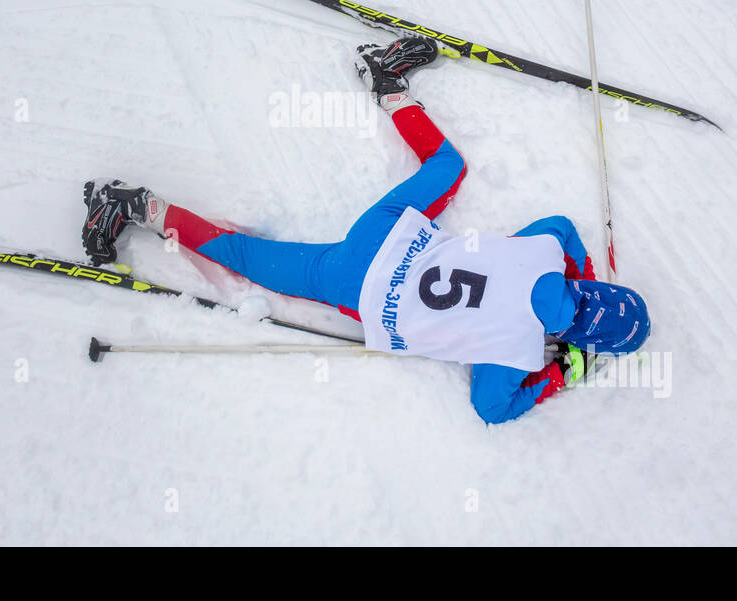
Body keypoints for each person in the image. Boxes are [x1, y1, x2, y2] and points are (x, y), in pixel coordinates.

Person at [82, 37, 651, 423]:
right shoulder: (518, 351)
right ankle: (136, 208)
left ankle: (388, 84)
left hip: (391, 234)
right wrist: (563, 368)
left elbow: (562, 227)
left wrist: (581, 275)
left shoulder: (547, 255)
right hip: (362, 289)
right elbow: (492, 409)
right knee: (246, 256)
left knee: (447, 168)